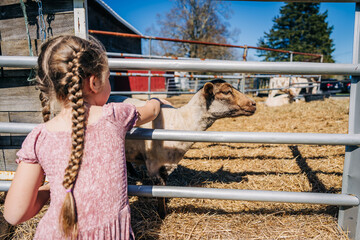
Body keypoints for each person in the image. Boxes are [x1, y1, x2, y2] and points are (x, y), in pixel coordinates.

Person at [4, 35, 168, 240]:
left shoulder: (39, 137)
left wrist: (51, 191)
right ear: (94, 82)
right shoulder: (114, 116)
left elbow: (14, 213)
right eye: (109, 77)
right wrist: (156, 100)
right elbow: (150, 111)